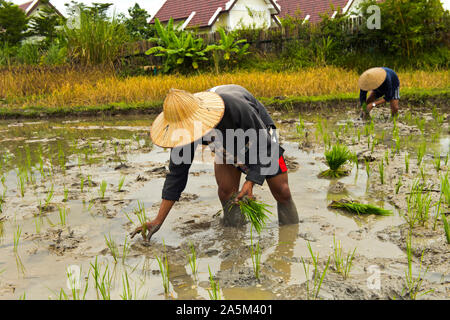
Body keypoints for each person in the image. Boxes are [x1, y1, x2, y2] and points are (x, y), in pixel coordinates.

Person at [131, 85, 299, 241]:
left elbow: (266, 146)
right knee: (227, 193)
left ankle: (291, 236)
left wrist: (251, 181)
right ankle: (235, 238)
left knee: (282, 191)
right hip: (223, 139)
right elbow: (176, 175)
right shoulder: (182, 132)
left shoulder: (236, 108)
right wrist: (158, 220)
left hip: (259, 134)